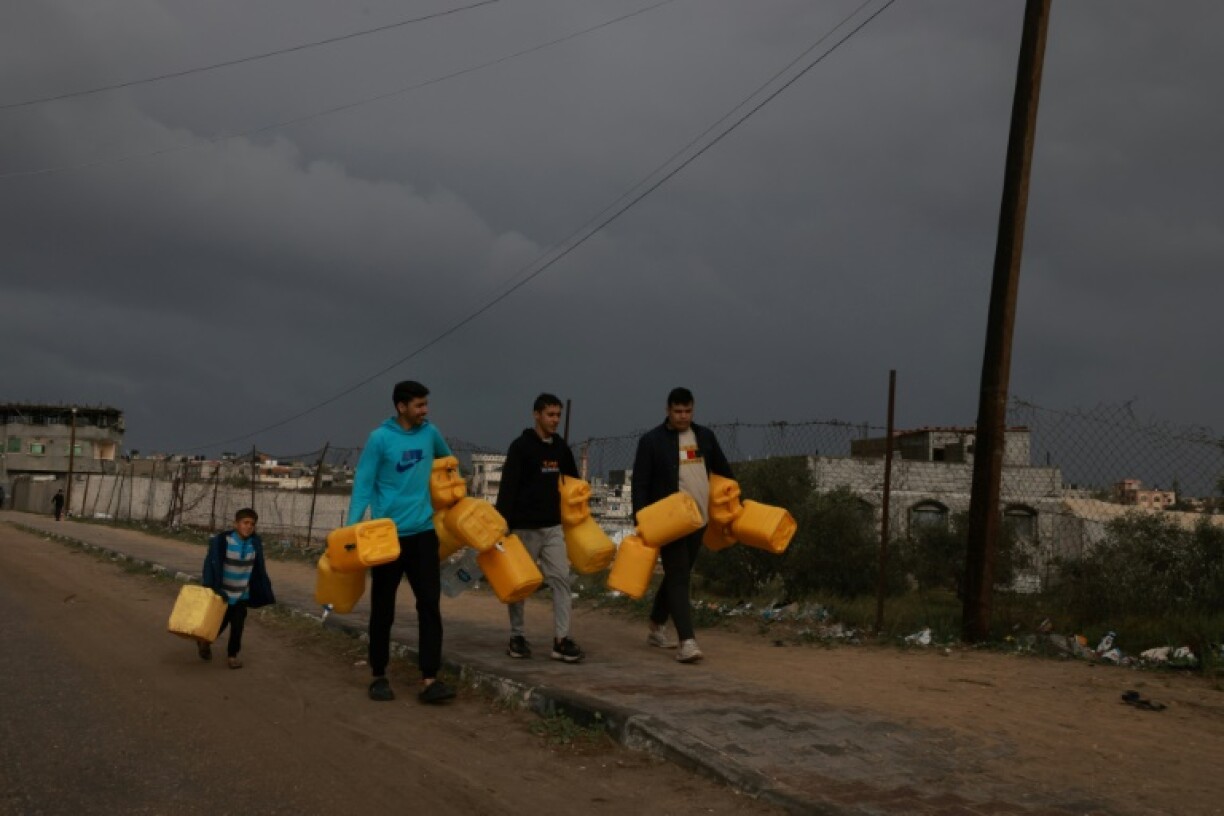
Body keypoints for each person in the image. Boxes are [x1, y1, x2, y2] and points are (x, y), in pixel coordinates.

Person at [349, 380, 456, 704]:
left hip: (423, 534)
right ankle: (379, 675)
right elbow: (364, 485)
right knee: (383, 608)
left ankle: (429, 678)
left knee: (429, 605)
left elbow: (448, 465)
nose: (426, 411)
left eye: (426, 404)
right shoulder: (379, 439)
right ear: (401, 407)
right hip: (386, 536)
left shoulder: (430, 433)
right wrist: (351, 531)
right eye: (420, 405)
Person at [632, 387, 733, 664]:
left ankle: (655, 624)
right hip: (669, 522)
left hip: (699, 520)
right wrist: (640, 519)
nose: (683, 416)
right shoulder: (652, 441)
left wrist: (734, 505)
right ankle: (687, 642)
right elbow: (640, 483)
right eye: (678, 411)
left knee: (679, 573)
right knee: (679, 576)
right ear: (668, 410)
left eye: (687, 411)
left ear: (693, 410)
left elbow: (724, 472)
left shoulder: (705, 437)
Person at [495, 393, 584, 663]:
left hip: (553, 527)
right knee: (521, 584)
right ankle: (517, 636)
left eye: (558, 415)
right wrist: (502, 525)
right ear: (536, 415)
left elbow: (572, 483)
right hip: (523, 529)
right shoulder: (521, 447)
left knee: (561, 580)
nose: (555, 420)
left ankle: (561, 640)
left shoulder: (560, 449)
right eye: (550, 415)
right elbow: (508, 487)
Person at [200, 507, 275, 669]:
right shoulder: (223, 542)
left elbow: (259, 568)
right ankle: (205, 641)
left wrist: (263, 586)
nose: (248, 527)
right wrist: (209, 585)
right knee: (219, 624)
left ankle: (232, 656)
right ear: (236, 524)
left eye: (252, 524)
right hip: (223, 594)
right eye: (245, 523)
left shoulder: (254, 544)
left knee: (238, 627)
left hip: (242, 595)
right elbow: (210, 565)